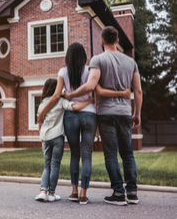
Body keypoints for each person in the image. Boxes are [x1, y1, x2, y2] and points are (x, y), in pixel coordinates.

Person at [37, 42, 130, 205]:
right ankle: (83, 194)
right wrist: (91, 100)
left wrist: (43, 111)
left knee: (74, 153)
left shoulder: (63, 72)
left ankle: (73, 191)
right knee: (87, 155)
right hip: (89, 115)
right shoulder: (90, 70)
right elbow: (97, 92)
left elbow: (56, 96)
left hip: (71, 116)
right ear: (83, 56)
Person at [65, 26, 143, 206]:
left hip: (106, 113)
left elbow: (91, 85)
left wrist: (71, 94)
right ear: (117, 41)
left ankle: (118, 193)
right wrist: (137, 112)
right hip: (124, 113)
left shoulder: (98, 59)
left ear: (102, 41)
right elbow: (138, 90)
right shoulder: (131, 62)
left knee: (110, 154)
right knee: (128, 153)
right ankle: (132, 192)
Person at [35, 78, 94, 202]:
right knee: (55, 164)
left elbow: (39, 124)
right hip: (57, 138)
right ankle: (51, 194)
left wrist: (41, 140)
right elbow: (76, 107)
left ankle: (42, 191)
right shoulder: (61, 102)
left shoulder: (41, 105)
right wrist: (90, 101)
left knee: (47, 165)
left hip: (45, 138)